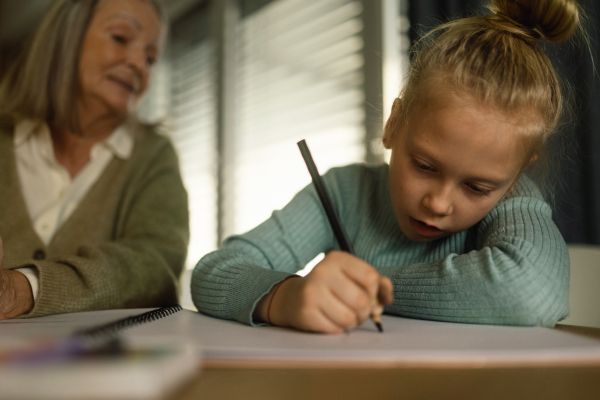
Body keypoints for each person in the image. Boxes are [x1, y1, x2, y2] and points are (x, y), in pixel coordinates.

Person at [191, 0, 579, 333]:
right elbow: (214, 272)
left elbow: (531, 292)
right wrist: (285, 296)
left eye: (477, 188)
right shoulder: (345, 192)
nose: (439, 203)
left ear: (514, 178)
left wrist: (372, 286)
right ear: (393, 124)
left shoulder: (513, 200)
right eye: (425, 166)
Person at [0, 0, 189, 320]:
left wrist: (20, 289)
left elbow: (156, 265)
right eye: (120, 37)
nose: (139, 64)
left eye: (151, 57)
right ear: (66, 37)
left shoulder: (153, 156)